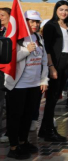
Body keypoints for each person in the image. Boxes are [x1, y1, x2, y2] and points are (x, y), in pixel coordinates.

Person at [5, 10, 49, 159]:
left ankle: (23, 142)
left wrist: (44, 80)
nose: (35, 24)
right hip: (18, 85)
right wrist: (25, 51)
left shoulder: (38, 38)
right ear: (25, 22)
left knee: (28, 116)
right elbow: (7, 59)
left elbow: (44, 61)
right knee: (15, 116)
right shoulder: (16, 37)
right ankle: (13, 147)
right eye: (32, 21)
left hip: (34, 85)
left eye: (37, 21)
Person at [38, 0, 68, 142]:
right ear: (56, 10)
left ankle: (44, 129)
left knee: (56, 96)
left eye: (66, 10)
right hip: (56, 62)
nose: (64, 12)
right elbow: (47, 48)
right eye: (61, 9)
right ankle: (48, 130)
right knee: (52, 99)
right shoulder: (50, 26)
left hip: (66, 62)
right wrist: (51, 66)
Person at [0, 7, 11, 143]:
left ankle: (10, 130)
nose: (0, 17)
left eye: (2, 15)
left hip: (9, 72)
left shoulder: (14, 33)